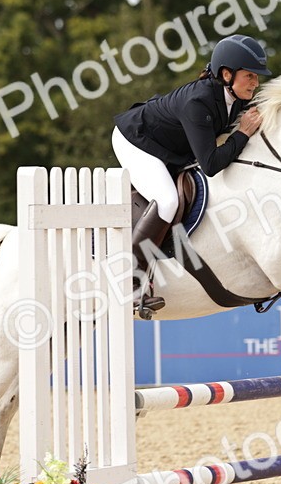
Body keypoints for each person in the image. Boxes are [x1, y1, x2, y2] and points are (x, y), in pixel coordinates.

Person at [112, 33, 270, 313]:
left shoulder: (235, 99)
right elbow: (210, 164)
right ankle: (132, 282)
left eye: (257, 77)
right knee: (168, 200)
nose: (255, 83)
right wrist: (244, 132)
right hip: (136, 141)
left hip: (170, 148)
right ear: (226, 74)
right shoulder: (199, 102)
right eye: (250, 76)